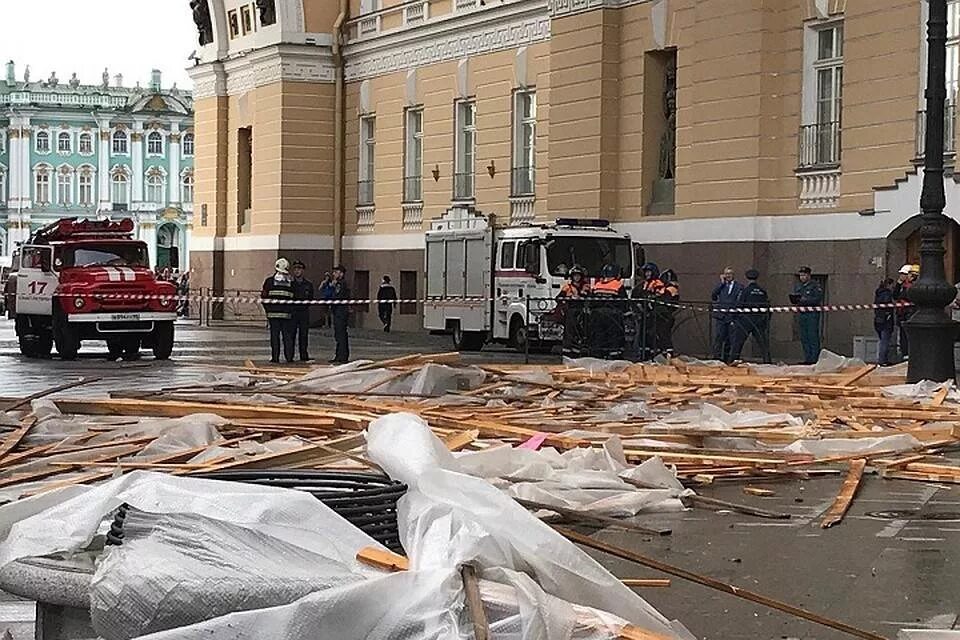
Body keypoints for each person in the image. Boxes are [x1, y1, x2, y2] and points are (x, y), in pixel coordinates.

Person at [731, 268, 771, 363]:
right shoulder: (762, 291)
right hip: (759, 320)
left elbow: (739, 305)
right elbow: (767, 305)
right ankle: (767, 361)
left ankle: (733, 360)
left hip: (746, 320)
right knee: (763, 344)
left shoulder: (745, 291)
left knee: (738, 342)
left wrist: (734, 318)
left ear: (747, 278)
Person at [261, 258, 296, 364]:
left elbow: (264, 298)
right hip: (287, 316)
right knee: (287, 337)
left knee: (275, 337)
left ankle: (275, 357)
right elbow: (294, 299)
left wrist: (268, 311)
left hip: (273, 315)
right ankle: (289, 357)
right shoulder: (291, 282)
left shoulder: (269, 282)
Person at [790, 266, 824, 365]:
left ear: (809, 275)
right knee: (804, 337)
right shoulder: (799, 286)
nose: (802, 277)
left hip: (812, 314)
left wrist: (804, 300)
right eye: (801, 275)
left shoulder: (815, 286)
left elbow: (817, 299)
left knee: (812, 336)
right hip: (802, 313)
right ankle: (807, 358)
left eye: (804, 275)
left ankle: (814, 359)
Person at [631, 262, 665, 359]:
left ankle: (653, 355)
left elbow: (659, 296)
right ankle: (643, 354)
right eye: (646, 272)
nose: (647, 274)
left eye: (649, 272)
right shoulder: (643, 284)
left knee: (653, 335)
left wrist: (650, 300)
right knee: (642, 336)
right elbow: (636, 294)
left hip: (654, 315)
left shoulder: (658, 283)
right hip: (643, 314)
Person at [710, 267, 743, 363]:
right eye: (726, 274)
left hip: (732, 316)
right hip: (721, 316)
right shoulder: (721, 286)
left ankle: (728, 359)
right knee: (719, 338)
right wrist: (721, 283)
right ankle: (716, 358)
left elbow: (740, 300)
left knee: (730, 339)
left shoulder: (739, 286)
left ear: (733, 275)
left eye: (730, 274)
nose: (728, 276)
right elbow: (714, 296)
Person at [557, 265, 591, 355]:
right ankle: (567, 350)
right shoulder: (567, 287)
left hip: (582, 312)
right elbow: (558, 298)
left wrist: (581, 296)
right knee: (569, 330)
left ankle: (577, 348)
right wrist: (569, 298)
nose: (577, 277)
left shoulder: (586, 286)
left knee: (581, 331)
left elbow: (589, 297)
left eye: (578, 275)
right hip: (570, 311)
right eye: (575, 275)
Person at [290, 261, 315, 362]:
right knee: (291, 335)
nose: (297, 271)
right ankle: (290, 356)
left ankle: (303, 355)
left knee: (303, 335)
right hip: (293, 312)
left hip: (304, 312)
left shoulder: (308, 284)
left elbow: (310, 297)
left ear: (303, 271)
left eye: (299, 269)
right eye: (295, 269)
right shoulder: (290, 284)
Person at [893, 264, 916, 360]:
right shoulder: (902, 285)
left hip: (910, 314)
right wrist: (898, 284)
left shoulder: (912, 286)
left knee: (908, 335)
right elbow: (895, 296)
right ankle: (904, 353)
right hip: (902, 314)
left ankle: (909, 353)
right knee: (902, 336)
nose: (901, 276)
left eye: (903, 274)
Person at [330, 264, 351, 364]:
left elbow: (336, 297)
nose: (334, 274)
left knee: (340, 334)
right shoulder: (340, 283)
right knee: (338, 334)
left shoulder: (341, 284)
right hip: (338, 311)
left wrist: (332, 288)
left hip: (341, 311)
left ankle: (342, 356)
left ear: (341, 274)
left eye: (336, 272)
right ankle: (339, 355)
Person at [874, 278, 896, 366]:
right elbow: (887, 305)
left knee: (882, 340)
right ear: (889, 285)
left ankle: (883, 360)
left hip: (878, 320)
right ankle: (882, 360)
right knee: (885, 341)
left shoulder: (878, 293)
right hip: (886, 320)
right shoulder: (887, 294)